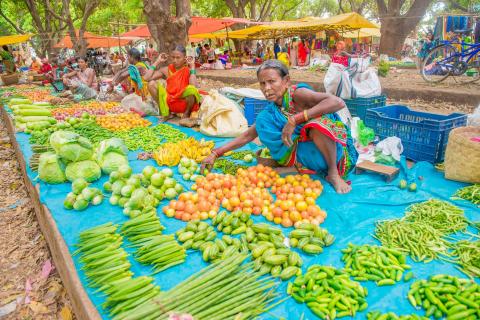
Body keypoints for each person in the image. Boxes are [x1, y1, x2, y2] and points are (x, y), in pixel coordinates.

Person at [201, 60, 357, 194]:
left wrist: (296, 119)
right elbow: (247, 136)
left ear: (286, 81)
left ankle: (333, 174)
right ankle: (298, 167)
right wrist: (216, 153)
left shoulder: (299, 94)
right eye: (262, 83)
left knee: (317, 124)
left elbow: (337, 102)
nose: (267, 88)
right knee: (262, 121)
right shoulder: (272, 110)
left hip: (330, 152)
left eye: (272, 81)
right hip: (308, 153)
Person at [148, 45, 201, 127]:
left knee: (191, 89)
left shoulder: (188, 69)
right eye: (173, 57)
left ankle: (186, 114)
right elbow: (147, 78)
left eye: (178, 58)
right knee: (151, 84)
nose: (175, 60)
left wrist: (192, 67)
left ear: (184, 58)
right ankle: (165, 113)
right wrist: (157, 61)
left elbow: (194, 87)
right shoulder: (166, 69)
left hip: (184, 102)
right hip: (170, 102)